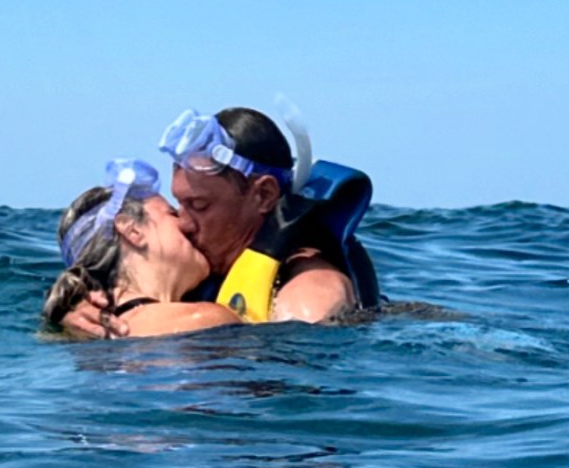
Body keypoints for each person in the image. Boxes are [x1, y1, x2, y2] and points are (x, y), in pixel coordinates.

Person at [56, 107, 367, 338]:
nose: (185, 223)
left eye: (200, 205)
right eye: (178, 204)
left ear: (264, 195)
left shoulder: (308, 292)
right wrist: (73, 311)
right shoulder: (185, 292)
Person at [42, 161, 245, 338]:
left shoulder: (84, 335)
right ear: (133, 231)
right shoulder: (204, 320)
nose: (187, 223)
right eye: (172, 214)